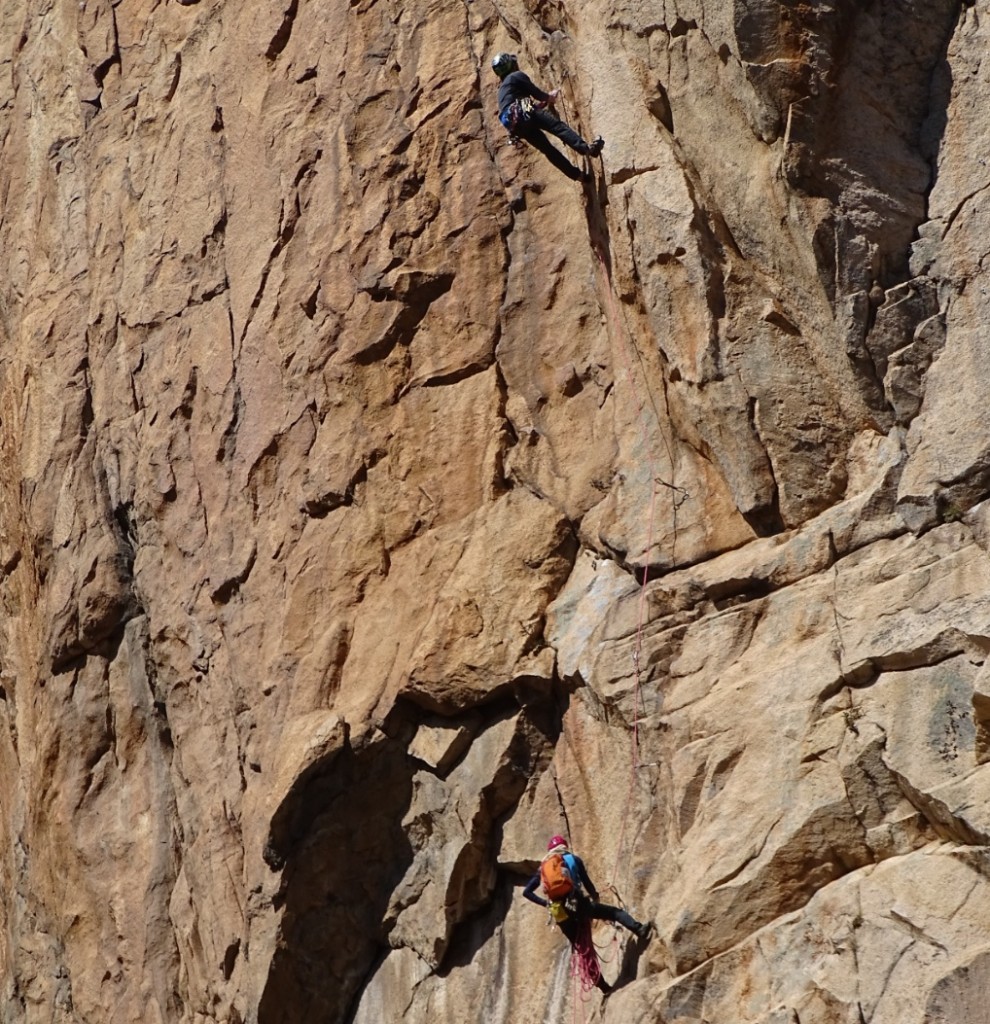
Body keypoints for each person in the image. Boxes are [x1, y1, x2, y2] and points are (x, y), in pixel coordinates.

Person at [523, 835, 651, 993]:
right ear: (564, 846)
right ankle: (639, 929)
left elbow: (527, 892)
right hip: (577, 903)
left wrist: (546, 904)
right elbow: (586, 882)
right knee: (614, 912)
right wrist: (595, 897)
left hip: (560, 913)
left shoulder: (544, 867)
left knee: (582, 949)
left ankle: (603, 987)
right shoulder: (572, 859)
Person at [492, 53, 604, 182]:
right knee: (558, 127)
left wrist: (540, 105)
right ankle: (587, 149)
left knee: (548, 150)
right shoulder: (516, 76)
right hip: (525, 111)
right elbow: (537, 94)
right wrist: (550, 97)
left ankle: (578, 176)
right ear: (510, 65)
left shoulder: (502, 90)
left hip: (518, 127)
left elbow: (517, 106)